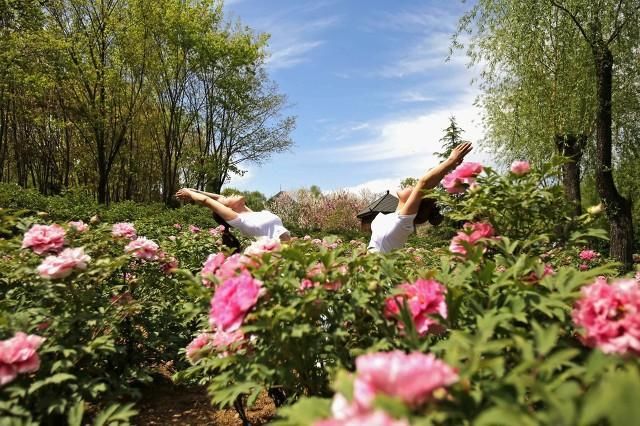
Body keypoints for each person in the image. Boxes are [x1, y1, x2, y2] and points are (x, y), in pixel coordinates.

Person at [367, 142, 473, 253]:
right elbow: (426, 180)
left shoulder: (403, 223)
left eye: (413, 188)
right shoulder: (393, 218)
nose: (411, 185)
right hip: (368, 268)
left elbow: (424, 183)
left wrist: (450, 161)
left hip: (378, 269)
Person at [175, 188, 291, 242]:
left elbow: (218, 197)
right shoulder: (240, 220)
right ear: (227, 209)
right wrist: (189, 193)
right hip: (276, 260)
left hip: (290, 253)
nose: (229, 195)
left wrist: (195, 190)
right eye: (227, 197)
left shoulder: (254, 214)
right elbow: (206, 200)